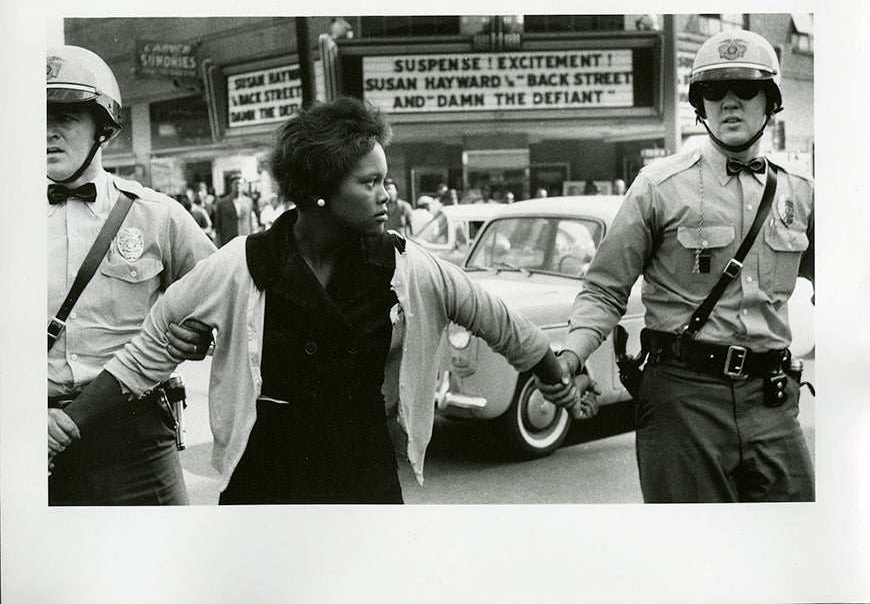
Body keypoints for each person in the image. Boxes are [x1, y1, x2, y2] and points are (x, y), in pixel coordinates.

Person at [48, 97, 575, 505]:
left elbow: (499, 321)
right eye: (371, 183)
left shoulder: (405, 266)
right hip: (265, 474)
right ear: (320, 190)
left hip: (361, 471)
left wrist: (557, 379)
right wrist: (66, 426)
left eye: (386, 181)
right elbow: (150, 349)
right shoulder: (242, 264)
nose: (389, 195)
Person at [540, 29, 815, 503]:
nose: (729, 103)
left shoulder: (801, 193)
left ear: (770, 102)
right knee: (693, 553)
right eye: (713, 91)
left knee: (793, 549)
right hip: (684, 400)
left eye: (745, 89)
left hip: (771, 400)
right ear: (699, 105)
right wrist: (570, 357)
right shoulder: (658, 187)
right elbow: (604, 289)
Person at [46, 45, 217, 505]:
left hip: (135, 437)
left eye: (65, 118)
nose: (46, 134)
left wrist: (201, 338)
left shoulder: (158, 216)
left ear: (102, 127)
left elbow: (226, 299)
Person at [212, 175, 257, 247]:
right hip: (228, 241)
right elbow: (218, 227)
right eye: (236, 183)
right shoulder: (222, 203)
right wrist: (219, 244)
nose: (238, 186)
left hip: (244, 240)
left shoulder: (248, 202)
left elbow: (252, 222)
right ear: (231, 185)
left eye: (241, 184)